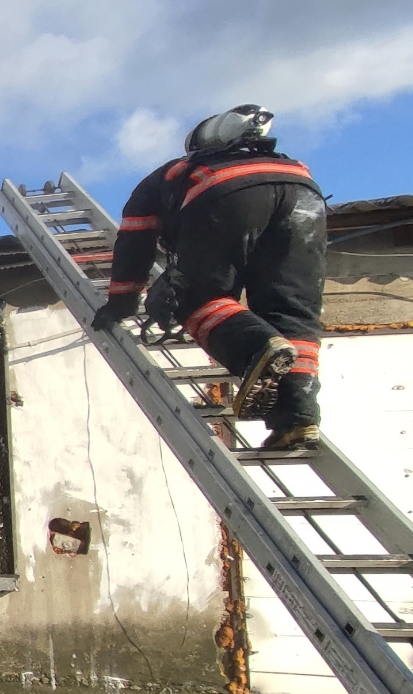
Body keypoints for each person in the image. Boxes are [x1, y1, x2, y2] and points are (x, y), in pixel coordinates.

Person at [92, 104, 328, 449]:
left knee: (192, 297)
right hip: (306, 194)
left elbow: (135, 238)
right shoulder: (284, 162)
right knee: (292, 315)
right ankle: (298, 420)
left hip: (227, 193)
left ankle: (255, 347)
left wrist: (121, 301)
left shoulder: (174, 172)